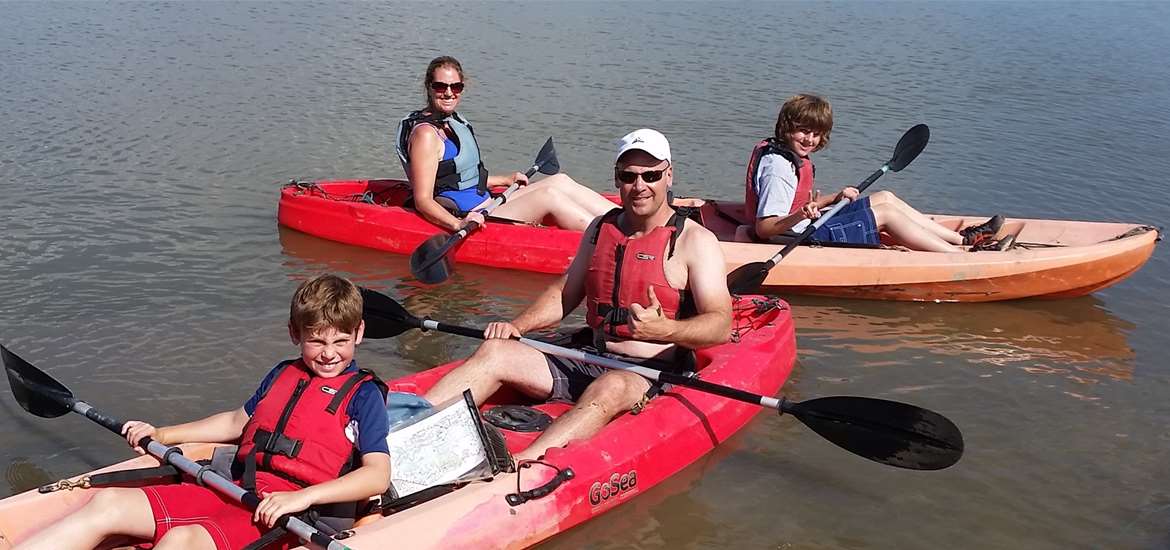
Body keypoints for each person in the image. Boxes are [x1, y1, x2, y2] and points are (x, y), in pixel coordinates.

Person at [423, 128, 732, 461]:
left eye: (651, 175)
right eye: (629, 176)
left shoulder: (694, 241)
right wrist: (518, 325)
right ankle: (407, 428)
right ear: (617, 179)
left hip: (647, 373)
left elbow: (720, 325)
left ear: (668, 175)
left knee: (609, 388)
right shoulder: (600, 229)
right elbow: (564, 294)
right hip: (587, 358)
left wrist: (666, 330)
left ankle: (523, 468)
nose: (639, 186)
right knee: (494, 352)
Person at [17, 275, 390, 550]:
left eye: (341, 341)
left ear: (358, 333)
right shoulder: (283, 373)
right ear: (295, 333)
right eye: (317, 340)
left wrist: (302, 498)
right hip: (236, 489)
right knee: (109, 502)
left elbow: (376, 476)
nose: (329, 353)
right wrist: (162, 435)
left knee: (183, 541)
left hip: (292, 514)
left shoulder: (363, 396)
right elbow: (235, 422)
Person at [742, 94, 1012, 252]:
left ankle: (963, 239)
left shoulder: (787, 155)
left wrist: (833, 198)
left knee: (886, 197)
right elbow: (764, 229)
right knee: (887, 214)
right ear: (786, 127)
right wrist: (803, 215)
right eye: (803, 131)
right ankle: (960, 256)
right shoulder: (778, 168)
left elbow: (797, 205)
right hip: (797, 237)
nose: (810, 139)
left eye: (816, 133)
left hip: (802, 224)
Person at [396, 56, 616, 233]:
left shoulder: (454, 123)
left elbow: (461, 179)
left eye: (456, 87)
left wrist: (504, 179)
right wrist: (458, 225)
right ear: (428, 87)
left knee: (560, 181)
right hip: (471, 216)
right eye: (440, 86)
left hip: (487, 203)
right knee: (549, 196)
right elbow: (423, 200)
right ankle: (613, 238)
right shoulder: (426, 135)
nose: (449, 93)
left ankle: (625, 219)